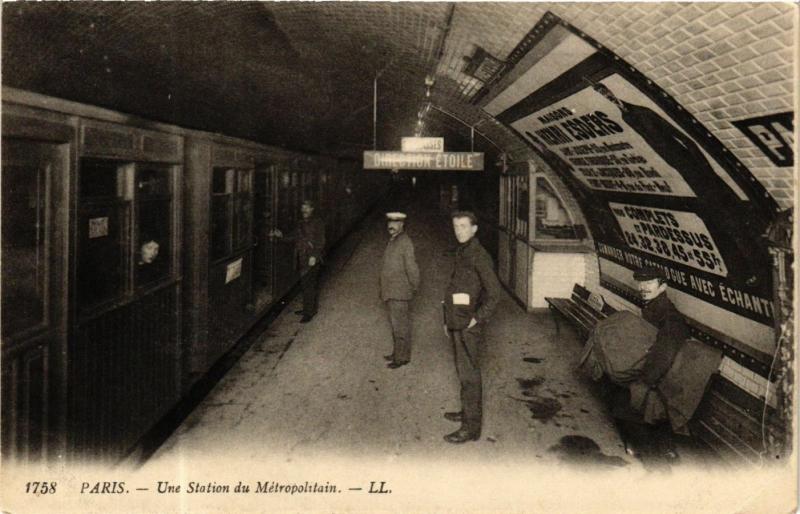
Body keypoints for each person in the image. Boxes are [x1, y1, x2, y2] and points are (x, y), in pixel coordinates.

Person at [608, 265, 690, 460]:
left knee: (621, 394)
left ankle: (650, 451)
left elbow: (664, 354)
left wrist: (643, 381)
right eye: (641, 283)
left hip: (660, 378)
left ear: (662, 287)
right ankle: (661, 447)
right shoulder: (654, 307)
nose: (643, 287)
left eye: (649, 283)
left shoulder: (669, 317)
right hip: (656, 373)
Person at [441, 211, 502, 443]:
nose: (459, 231)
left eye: (464, 226)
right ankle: (467, 412)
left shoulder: (479, 255)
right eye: (456, 226)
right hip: (457, 319)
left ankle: (471, 428)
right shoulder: (463, 251)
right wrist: (447, 318)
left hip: (468, 324)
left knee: (469, 375)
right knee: (462, 370)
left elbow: (495, 294)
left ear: (474, 229)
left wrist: (478, 318)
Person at [271, 200, 326, 322]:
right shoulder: (301, 223)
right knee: (305, 283)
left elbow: (321, 242)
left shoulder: (318, 223)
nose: (304, 210)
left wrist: (314, 256)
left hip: (311, 258)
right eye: (303, 208)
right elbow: (294, 236)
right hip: (301, 257)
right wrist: (281, 236)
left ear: (312, 209)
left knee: (309, 285)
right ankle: (307, 308)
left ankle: (309, 313)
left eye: (307, 208)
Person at [379, 212, 420, 369]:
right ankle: (397, 352)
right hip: (391, 290)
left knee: (400, 326)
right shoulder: (394, 239)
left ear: (402, 224)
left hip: (400, 291)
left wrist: (414, 286)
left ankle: (402, 357)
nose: (391, 225)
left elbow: (412, 268)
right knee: (396, 325)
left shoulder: (405, 242)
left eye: (395, 222)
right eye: (389, 221)